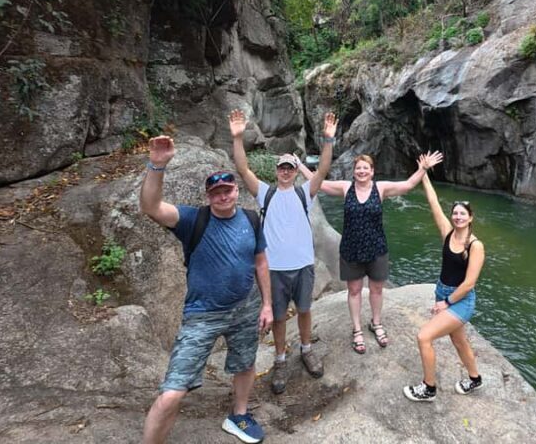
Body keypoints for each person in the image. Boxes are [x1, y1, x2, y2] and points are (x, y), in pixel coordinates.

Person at [139, 135, 272, 444]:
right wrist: (157, 165)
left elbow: (261, 262)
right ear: (208, 196)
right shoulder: (191, 219)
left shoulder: (251, 219)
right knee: (172, 393)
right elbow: (151, 207)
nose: (223, 197)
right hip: (203, 315)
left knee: (246, 362)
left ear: (236, 191)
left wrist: (266, 305)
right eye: (216, 193)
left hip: (246, 306)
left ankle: (239, 414)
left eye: (227, 191)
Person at [229, 108, 338, 395]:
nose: (287, 171)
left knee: (304, 310)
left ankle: (306, 349)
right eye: (283, 167)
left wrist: (328, 140)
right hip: (274, 270)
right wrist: (238, 138)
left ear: (295, 171)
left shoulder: (305, 193)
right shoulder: (266, 193)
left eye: (291, 167)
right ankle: (279, 359)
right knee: (278, 317)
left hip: (302, 266)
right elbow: (243, 169)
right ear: (277, 171)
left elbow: (323, 170)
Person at [299, 151, 442, 354]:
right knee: (354, 291)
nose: (362, 171)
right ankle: (357, 329)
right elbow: (319, 183)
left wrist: (423, 168)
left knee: (376, 290)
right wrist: (300, 165)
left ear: (372, 171)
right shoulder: (346, 187)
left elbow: (408, 185)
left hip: (377, 249)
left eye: (366, 168)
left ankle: (376, 323)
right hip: (351, 250)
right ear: (354, 171)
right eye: (358, 168)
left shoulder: (380, 188)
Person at [403, 156, 486, 402]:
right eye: (455, 213)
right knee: (458, 339)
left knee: (424, 336)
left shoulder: (475, 245)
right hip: (443, 292)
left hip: (460, 299)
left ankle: (428, 388)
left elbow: (469, 283)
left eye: (462, 214)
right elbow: (433, 202)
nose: (457, 216)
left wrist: (446, 302)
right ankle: (474, 379)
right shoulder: (447, 232)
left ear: (470, 218)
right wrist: (424, 172)